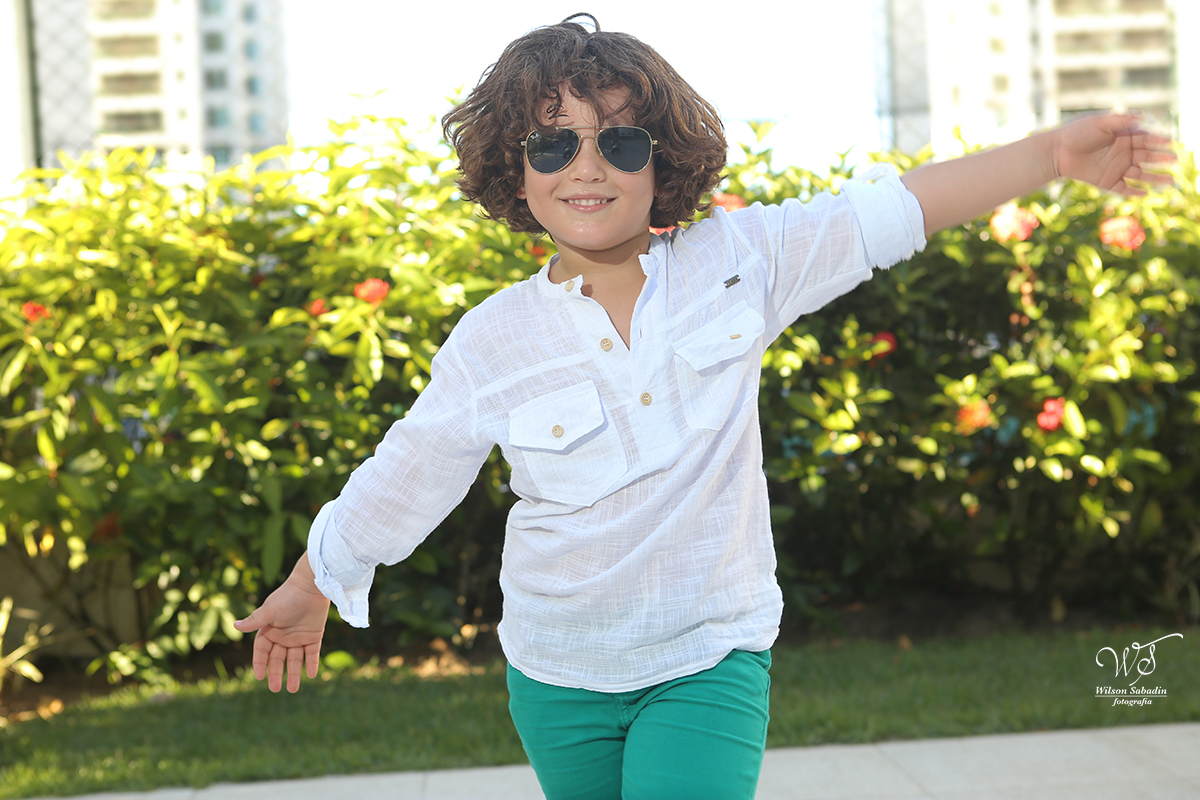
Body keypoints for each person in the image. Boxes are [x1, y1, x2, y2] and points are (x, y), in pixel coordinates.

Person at [233, 13, 1174, 800]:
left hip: (706, 653)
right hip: (556, 670)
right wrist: (316, 581)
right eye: (553, 143)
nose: (587, 167)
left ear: (663, 162)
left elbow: (893, 212)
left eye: (621, 141)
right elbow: (412, 471)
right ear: (513, 174)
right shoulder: (494, 341)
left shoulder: (741, 263)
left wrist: (1053, 154)